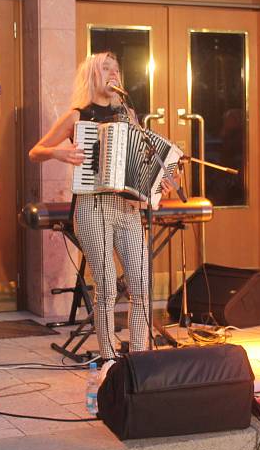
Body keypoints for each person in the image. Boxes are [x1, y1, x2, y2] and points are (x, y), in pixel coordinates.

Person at [29, 51, 162, 362]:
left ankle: (140, 357)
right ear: (92, 76)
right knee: (106, 287)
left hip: (126, 209)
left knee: (141, 285)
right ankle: (109, 359)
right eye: (106, 69)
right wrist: (59, 154)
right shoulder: (77, 116)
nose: (112, 74)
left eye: (116, 69)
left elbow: (141, 160)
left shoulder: (129, 115)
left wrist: (154, 183)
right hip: (92, 206)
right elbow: (36, 151)